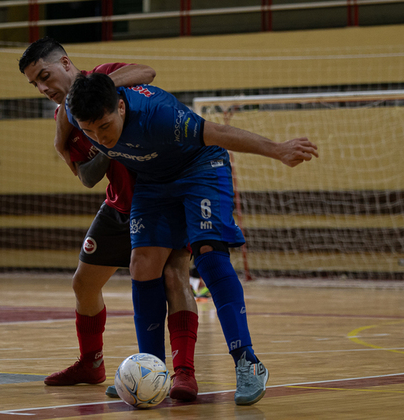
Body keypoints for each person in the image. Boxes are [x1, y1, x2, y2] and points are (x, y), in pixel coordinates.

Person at [66, 72, 319, 405]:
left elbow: (219, 133)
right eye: (89, 131)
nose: (100, 136)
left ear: (121, 107)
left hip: (201, 168)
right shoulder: (77, 113)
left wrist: (278, 149)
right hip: (154, 183)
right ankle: (150, 370)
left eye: (104, 126)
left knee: (209, 257)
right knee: (141, 264)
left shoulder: (161, 115)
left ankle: (248, 362)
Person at [18, 37, 200, 401]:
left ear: (66, 64)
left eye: (44, 75)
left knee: (173, 275)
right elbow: (86, 177)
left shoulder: (104, 76)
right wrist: (97, 138)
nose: (42, 87)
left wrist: (97, 94)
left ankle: (183, 373)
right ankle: (91, 363)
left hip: (165, 198)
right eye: (34, 84)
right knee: (83, 284)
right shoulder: (63, 120)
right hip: (119, 207)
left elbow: (147, 71)